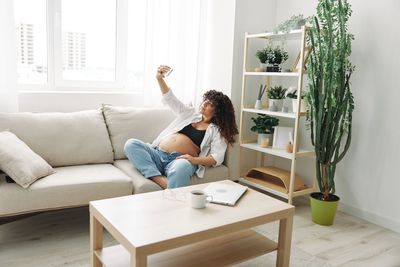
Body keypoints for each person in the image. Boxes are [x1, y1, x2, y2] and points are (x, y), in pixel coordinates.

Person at [124, 65, 238, 189]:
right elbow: (170, 99)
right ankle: (159, 179)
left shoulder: (216, 130)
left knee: (181, 167)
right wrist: (159, 78)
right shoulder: (189, 113)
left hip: (180, 160)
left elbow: (216, 158)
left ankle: (171, 195)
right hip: (157, 153)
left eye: (210, 103)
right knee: (131, 144)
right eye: (205, 100)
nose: (204, 103)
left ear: (218, 111)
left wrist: (193, 160)